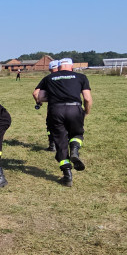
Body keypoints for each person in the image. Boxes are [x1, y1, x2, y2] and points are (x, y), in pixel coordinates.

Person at [32, 58, 92, 187]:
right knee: (76, 134)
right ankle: (75, 151)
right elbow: (87, 98)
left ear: (59, 67)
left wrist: (54, 97)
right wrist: (86, 112)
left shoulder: (49, 78)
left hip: (56, 110)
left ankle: (67, 175)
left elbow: (40, 97)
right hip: (74, 108)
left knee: (60, 142)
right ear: (71, 66)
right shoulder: (81, 77)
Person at [42, 60, 60, 151]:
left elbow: (37, 94)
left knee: (51, 125)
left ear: (49, 69)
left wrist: (40, 101)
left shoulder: (48, 78)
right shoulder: (71, 77)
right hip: (72, 106)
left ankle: (52, 145)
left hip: (53, 106)